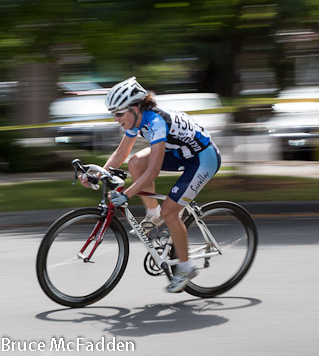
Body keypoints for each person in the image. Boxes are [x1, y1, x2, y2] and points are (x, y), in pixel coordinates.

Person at [81, 76, 221, 293]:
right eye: (113, 115)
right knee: (135, 161)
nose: (116, 119)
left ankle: (186, 268)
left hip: (203, 159)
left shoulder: (155, 123)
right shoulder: (137, 120)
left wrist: (126, 194)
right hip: (181, 153)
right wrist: (99, 174)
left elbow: (153, 170)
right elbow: (121, 153)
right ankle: (153, 216)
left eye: (119, 114)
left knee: (171, 212)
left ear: (135, 108)